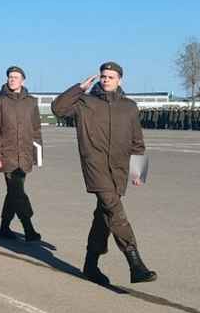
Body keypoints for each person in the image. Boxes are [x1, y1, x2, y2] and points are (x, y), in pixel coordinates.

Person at [52, 62, 157, 285]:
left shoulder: (129, 107)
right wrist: (79, 88)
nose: (106, 79)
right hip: (95, 167)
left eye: (111, 76)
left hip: (118, 170)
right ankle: (135, 263)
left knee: (104, 217)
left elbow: (137, 142)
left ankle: (90, 264)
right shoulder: (85, 103)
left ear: (120, 80)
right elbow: (58, 108)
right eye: (103, 76)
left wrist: (139, 171)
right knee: (115, 211)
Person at [0, 65, 42, 242]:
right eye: (10, 77)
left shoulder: (31, 102)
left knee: (13, 192)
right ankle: (29, 228)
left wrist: (37, 155)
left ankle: (4, 227)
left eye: (16, 77)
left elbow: (36, 130)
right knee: (17, 191)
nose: (12, 79)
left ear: (23, 80)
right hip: (7, 155)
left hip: (26, 154)